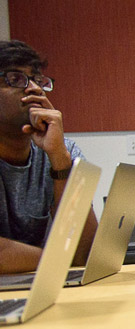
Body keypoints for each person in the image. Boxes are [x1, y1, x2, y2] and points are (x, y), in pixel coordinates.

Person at [0, 39, 97, 274]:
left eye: (37, 80)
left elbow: (85, 253)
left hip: (39, 289)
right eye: (16, 79)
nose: (34, 88)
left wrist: (59, 160)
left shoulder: (63, 150)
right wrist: (60, 259)